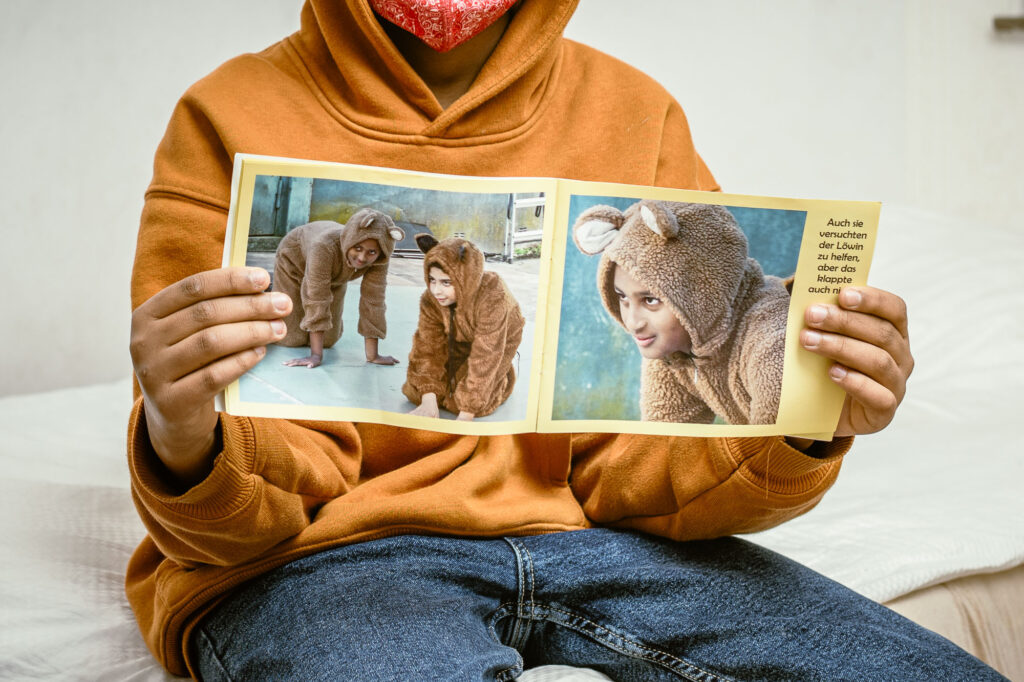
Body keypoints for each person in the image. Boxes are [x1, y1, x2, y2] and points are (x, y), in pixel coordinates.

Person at [126, 0, 1001, 679]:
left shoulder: (636, 110)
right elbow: (233, 521)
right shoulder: (225, 114)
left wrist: (805, 416)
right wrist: (181, 434)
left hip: (599, 541)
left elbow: (645, 464)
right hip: (324, 561)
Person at [572, 199, 789, 425]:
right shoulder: (671, 349)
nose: (633, 323)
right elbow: (665, 446)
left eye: (650, 300)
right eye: (623, 297)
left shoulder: (774, 342)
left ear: (702, 292)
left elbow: (776, 452)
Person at [403, 234, 525, 421]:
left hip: (499, 342)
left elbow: (487, 354)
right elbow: (427, 348)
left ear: (464, 278)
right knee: (416, 392)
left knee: (470, 403)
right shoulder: (430, 299)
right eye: (432, 280)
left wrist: (465, 415)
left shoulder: (494, 295)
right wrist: (428, 401)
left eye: (446, 282)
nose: (436, 290)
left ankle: (510, 367)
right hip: (459, 338)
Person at [271, 207, 405, 368]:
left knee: (328, 341)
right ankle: (269, 299)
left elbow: (374, 301)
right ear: (350, 241)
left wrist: (373, 355)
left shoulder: (381, 258)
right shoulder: (324, 246)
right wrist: (316, 356)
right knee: (290, 339)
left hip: (336, 275)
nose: (362, 258)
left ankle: (313, 330)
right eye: (358, 248)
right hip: (294, 262)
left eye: (371, 252)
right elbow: (317, 297)